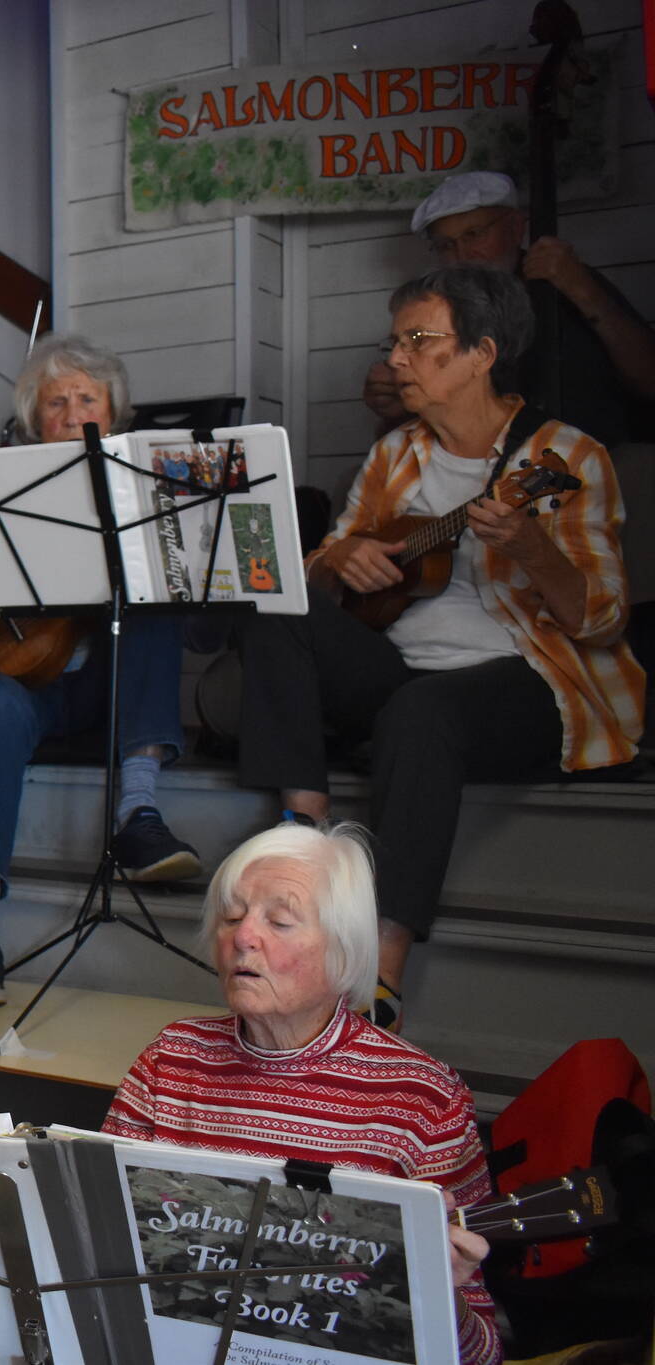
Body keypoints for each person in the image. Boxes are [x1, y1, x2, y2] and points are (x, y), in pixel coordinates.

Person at [241, 266, 642, 1029]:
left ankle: (378, 977)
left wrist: (529, 544)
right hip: (401, 676)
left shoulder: (568, 458)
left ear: (481, 353)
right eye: (395, 342)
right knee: (275, 596)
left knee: (423, 714)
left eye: (417, 341)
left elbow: (604, 619)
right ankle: (302, 831)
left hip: (527, 684)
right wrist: (342, 557)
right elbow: (327, 565)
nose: (396, 359)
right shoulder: (396, 454)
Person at [104, 822, 502, 1365]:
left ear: (344, 951)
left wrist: (444, 1297)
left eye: (280, 920)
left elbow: (482, 1351)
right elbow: (100, 1247)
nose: (244, 936)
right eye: (232, 916)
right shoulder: (171, 1059)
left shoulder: (423, 1098)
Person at [0, 334, 198, 1005]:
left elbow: (207, 632)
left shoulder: (149, 493)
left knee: (154, 613)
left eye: (87, 398)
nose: (72, 413)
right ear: (32, 420)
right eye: (55, 403)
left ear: (115, 413)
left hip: (106, 691)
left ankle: (137, 813)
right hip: (16, 682)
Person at [362, 171, 655, 448]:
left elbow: (648, 379)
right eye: (446, 245)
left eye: (475, 234)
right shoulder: (434, 314)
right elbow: (407, 436)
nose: (463, 255)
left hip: (590, 457)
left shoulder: (568, 282)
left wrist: (583, 290)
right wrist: (396, 404)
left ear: (515, 228)